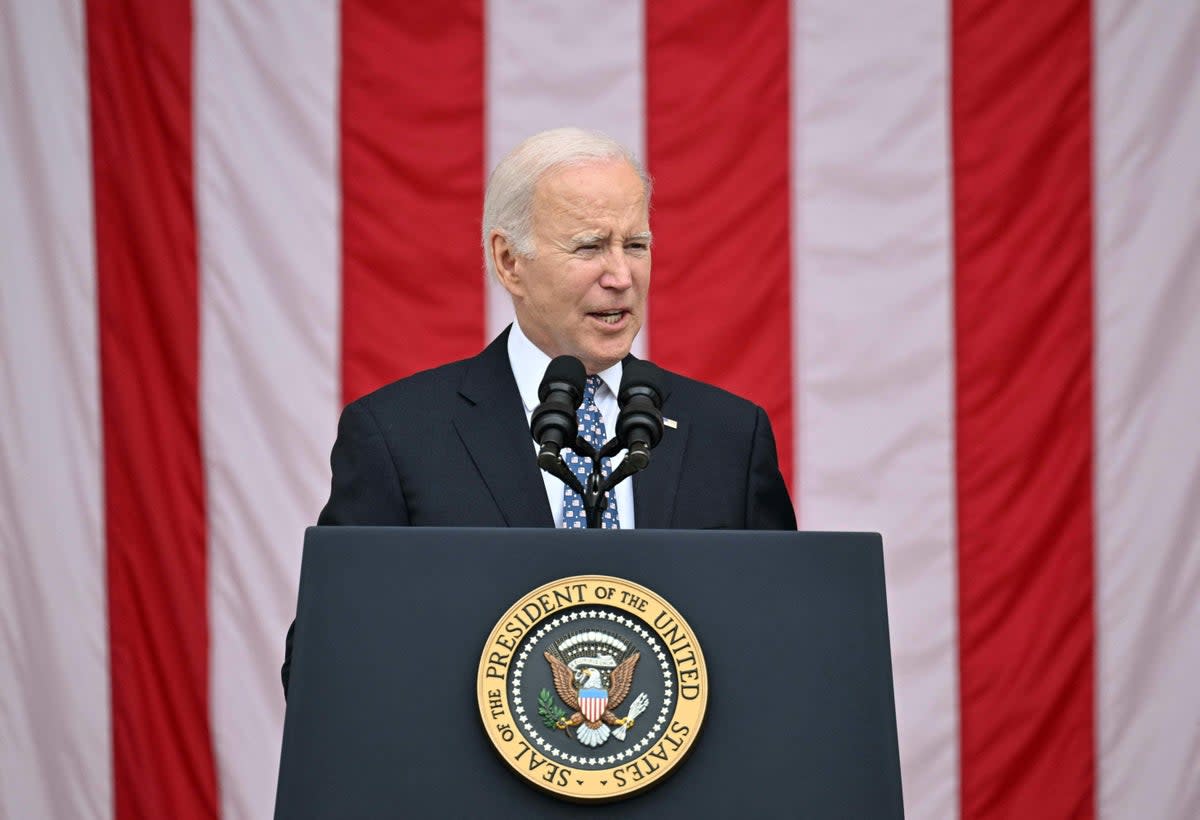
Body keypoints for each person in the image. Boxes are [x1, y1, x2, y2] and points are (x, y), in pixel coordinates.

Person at [282, 127, 794, 695]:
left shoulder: (729, 435)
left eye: (636, 245)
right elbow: (324, 662)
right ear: (509, 262)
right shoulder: (398, 437)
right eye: (590, 246)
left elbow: (787, 645)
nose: (621, 276)